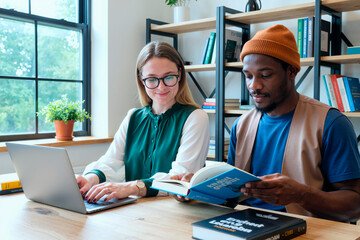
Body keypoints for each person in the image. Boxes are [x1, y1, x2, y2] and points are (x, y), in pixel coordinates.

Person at [174, 24, 360, 223]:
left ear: (291, 71)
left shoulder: (331, 123)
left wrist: (301, 195)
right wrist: (197, 188)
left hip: (306, 230)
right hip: (244, 224)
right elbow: (232, 193)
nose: (254, 86)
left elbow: (354, 205)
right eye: (248, 76)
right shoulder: (242, 125)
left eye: (265, 75)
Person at [77, 41, 209, 203]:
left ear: (180, 75)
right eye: (152, 79)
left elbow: (180, 178)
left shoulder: (195, 117)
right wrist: (90, 178)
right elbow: (110, 162)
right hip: (135, 210)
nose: (161, 87)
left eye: (168, 77)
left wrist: (133, 187)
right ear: (141, 79)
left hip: (175, 212)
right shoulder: (133, 117)